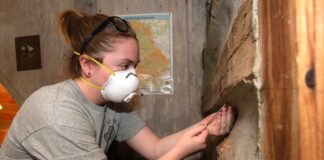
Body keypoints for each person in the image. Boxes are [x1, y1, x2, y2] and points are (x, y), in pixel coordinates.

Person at [0, 10, 236, 160]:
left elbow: (155, 148)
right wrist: (181, 151)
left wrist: (205, 127)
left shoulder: (113, 103)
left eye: (135, 66)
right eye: (124, 66)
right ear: (87, 65)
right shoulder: (57, 114)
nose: (132, 76)